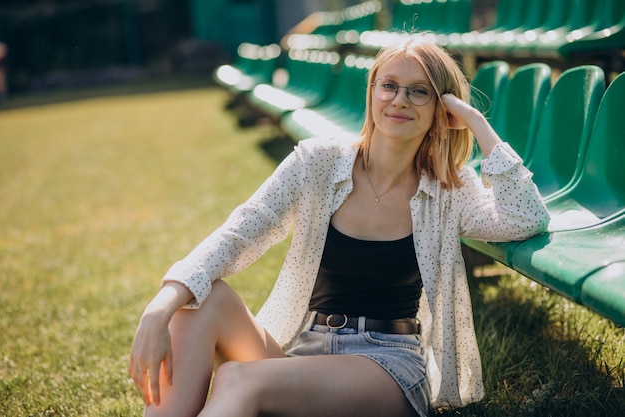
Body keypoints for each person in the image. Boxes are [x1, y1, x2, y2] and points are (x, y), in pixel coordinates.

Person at [129, 38, 550, 417]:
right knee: (199, 300)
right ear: (371, 93)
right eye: (388, 85)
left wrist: (476, 122)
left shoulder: (448, 189)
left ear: (442, 110)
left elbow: (524, 217)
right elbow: (240, 232)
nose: (399, 100)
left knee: (239, 378)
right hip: (305, 350)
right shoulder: (316, 163)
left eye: (419, 91)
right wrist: (160, 306)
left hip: (387, 365)